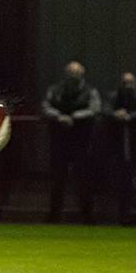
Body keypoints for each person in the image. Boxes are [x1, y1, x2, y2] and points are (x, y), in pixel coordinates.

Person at [41, 61, 101, 223]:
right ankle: (54, 215)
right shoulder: (55, 90)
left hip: (82, 142)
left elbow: (95, 108)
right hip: (59, 141)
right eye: (71, 72)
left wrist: (75, 116)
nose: (73, 76)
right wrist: (59, 117)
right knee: (57, 179)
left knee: (84, 180)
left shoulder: (90, 91)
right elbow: (45, 106)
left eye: (76, 72)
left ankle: (87, 216)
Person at [103, 72, 136, 224]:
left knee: (135, 181)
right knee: (117, 181)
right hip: (116, 148)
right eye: (125, 83)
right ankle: (117, 215)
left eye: (131, 83)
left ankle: (132, 214)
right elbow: (105, 110)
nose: (128, 87)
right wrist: (116, 115)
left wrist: (129, 117)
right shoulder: (114, 97)